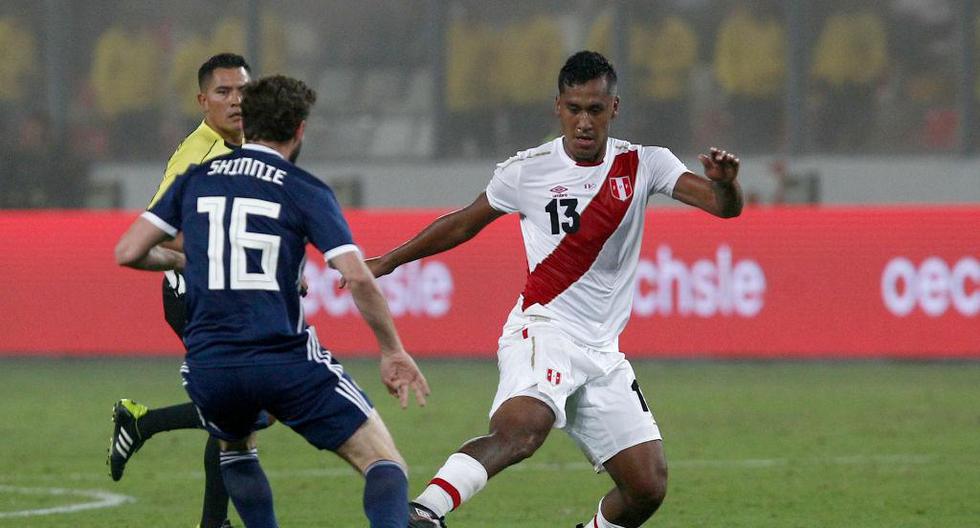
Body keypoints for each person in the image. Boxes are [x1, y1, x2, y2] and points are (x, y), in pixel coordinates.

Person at [364, 51, 742, 528]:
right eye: (574, 108)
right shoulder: (528, 170)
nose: (585, 122)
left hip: (603, 350)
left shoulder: (644, 163)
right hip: (545, 329)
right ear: (557, 107)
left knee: (647, 486)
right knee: (523, 433)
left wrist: (727, 186)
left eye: (596, 110)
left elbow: (722, 208)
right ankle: (422, 513)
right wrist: (389, 260)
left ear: (615, 108)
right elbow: (462, 224)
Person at [114, 74, 430, 528]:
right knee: (385, 464)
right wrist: (392, 350)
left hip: (210, 364)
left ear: (246, 123)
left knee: (236, 448)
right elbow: (357, 277)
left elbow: (128, 252)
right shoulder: (303, 188)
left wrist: (193, 260)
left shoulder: (195, 180)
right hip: (281, 358)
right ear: (300, 129)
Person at [107, 52, 257, 528]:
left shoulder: (249, 144)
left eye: (242, 91)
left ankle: (144, 426)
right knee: (242, 406)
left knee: (240, 409)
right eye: (223, 92)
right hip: (194, 296)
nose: (236, 101)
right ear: (202, 100)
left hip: (229, 294)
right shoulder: (196, 156)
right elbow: (158, 230)